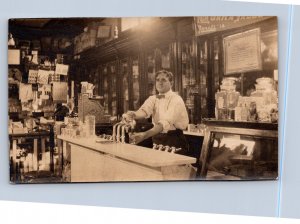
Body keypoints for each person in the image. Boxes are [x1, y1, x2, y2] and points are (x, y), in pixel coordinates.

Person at [123, 70, 189, 155]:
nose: (160, 83)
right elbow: (144, 110)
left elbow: (164, 123)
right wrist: (134, 114)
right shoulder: (153, 98)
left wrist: (144, 135)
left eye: (163, 80)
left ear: (171, 83)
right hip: (157, 138)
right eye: (157, 80)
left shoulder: (176, 99)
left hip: (174, 139)